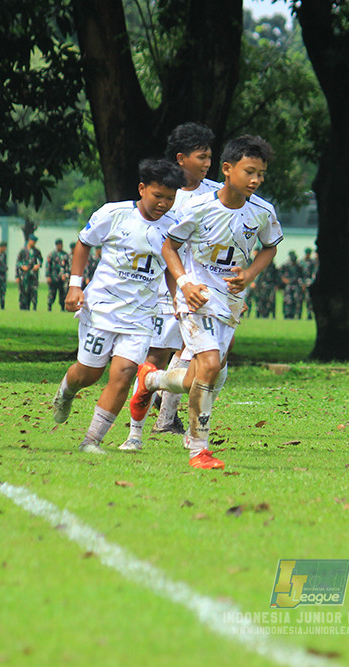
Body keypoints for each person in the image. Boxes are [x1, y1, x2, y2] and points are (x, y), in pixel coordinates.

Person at [130, 135, 282, 469]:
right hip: (196, 299)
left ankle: (151, 380)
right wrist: (184, 283)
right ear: (228, 170)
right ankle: (199, 449)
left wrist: (250, 274)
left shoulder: (263, 212)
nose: (256, 180)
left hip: (229, 303)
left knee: (204, 374)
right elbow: (169, 246)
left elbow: (270, 247)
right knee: (210, 366)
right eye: (250, 171)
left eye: (261, 174)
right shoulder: (198, 208)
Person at [50, 159, 186, 453]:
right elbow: (84, 243)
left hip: (140, 316)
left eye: (170, 198)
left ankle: (92, 440)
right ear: (142, 189)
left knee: (124, 374)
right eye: (157, 196)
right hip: (102, 309)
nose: (163, 203)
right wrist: (75, 284)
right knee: (89, 374)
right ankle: (67, 390)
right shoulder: (114, 214)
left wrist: (177, 297)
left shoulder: (174, 228)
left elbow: (169, 265)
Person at [122, 122, 219, 446]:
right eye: (201, 157)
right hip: (165, 287)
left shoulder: (217, 194)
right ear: (181, 159)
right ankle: (138, 424)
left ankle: (166, 420)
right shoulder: (165, 196)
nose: (207, 163)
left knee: (198, 352)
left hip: (202, 291)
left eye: (209, 157)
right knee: (159, 352)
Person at [15, 234, 42, 310]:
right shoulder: (23, 251)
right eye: (33, 241)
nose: (34, 243)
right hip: (24, 275)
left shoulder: (37, 251)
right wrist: (22, 267)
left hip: (33, 275)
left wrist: (38, 265)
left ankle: (33, 306)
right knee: (23, 291)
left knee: (33, 291)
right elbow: (18, 263)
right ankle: (23, 307)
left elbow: (40, 260)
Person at [45, 237, 71, 311]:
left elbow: (67, 266)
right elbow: (48, 266)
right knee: (52, 293)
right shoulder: (52, 254)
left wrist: (66, 275)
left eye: (61, 244)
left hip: (62, 278)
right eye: (59, 244)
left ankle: (62, 307)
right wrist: (48, 276)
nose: (60, 246)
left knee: (62, 293)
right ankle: (49, 307)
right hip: (53, 277)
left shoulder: (65, 255)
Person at [252, 251, 279, 318]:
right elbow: (259, 276)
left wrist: (276, 285)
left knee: (271, 301)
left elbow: (275, 277)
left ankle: (271, 315)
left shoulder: (273, 267)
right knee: (261, 301)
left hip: (270, 286)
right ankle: (259, 315)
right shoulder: (263, 266)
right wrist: (255, 283)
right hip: (262, 286)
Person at [280, 250, 304, 319]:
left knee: (297, 300)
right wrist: (284, 279)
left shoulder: (299, 266)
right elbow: (280, 274)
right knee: (288, 300)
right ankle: (287, 315)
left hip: (296, 285)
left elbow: (302, 275)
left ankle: (297, 314)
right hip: (288, 285)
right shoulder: (286, 265)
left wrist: (302, 284)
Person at [299, 247, 318, 319]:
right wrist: (302, 284)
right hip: (301, 284)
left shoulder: (313, 262)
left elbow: (313, 274)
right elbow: (299, 274)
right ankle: (298, 315)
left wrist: (309, 283)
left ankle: (309, 314)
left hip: (309, 284)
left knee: (309, 301)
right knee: (299, 300)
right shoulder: (301, 262)